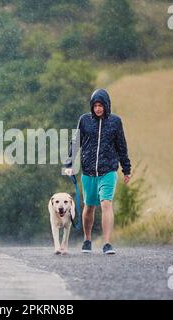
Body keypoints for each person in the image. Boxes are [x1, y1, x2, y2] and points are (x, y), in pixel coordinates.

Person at [64, 88, 131, 254]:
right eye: (95, 106)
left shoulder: (115, 122)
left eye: (101, 105)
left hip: (108, 170)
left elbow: (122, 146)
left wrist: (126, 168)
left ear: (106, 105)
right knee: (89, 206)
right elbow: (75, 142)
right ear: (91, 107)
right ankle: (87, 240)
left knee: (106, 203)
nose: (98, 108)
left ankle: (107, 243)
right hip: (88, 171)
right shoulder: (84, 120)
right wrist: (69, 162)